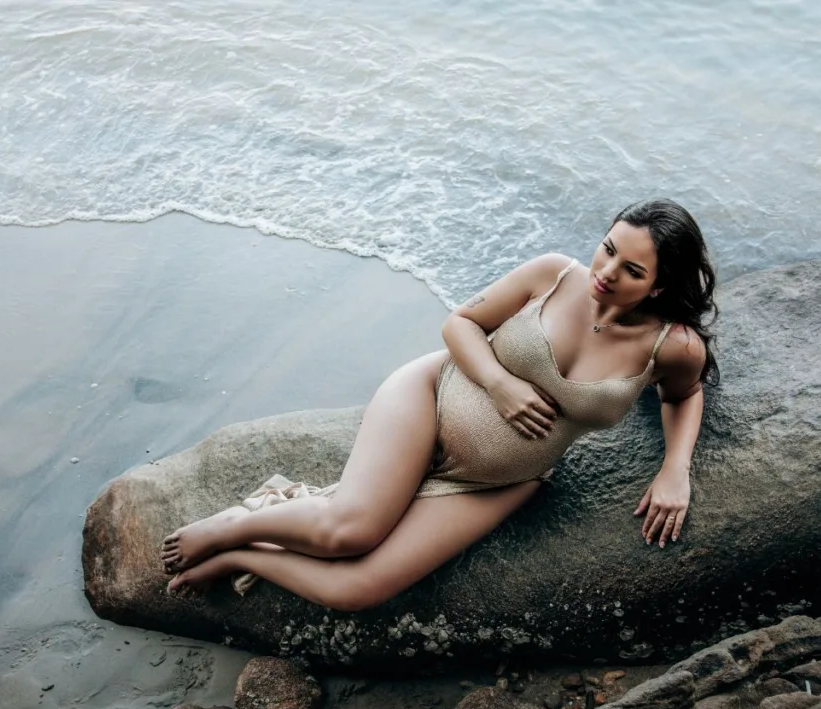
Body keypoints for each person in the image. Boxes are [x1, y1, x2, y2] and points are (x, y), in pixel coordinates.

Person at [161, 198, 719, 610]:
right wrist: (502, 385)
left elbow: (684, 395)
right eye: (608, 247)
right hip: (432, 396)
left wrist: (675, 469)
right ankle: (232, 526)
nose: (605, 272)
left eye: (632, 271)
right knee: (349, 532)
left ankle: (241, 554)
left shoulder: (672, 346)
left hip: (497, 482)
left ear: (660, 288)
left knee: (359, 591)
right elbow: (461, 323)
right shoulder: (553, 275)